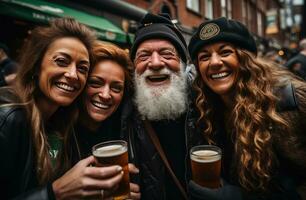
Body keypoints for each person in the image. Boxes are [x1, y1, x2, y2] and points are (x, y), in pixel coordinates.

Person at [0, 17, 124, 200]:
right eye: (61, 61)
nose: (73, 75)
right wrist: (54, 192)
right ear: (36, 65)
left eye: (82, 68)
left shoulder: (62, 123)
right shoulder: (8, 120)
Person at [188, 17, 306, 199]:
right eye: (204, 57)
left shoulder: (292, 101)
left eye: (225, 52)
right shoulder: (207, 109)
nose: (214, 62)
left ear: (245, 58)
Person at [123, 13, 204, 199]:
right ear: (133, 68)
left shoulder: (208, 109)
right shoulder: (119, 114)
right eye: (143, 56)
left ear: (184, 65)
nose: (156, 63)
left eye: (167, 54)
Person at [69, 41, 140, 199]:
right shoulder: (56, 132)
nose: (105, 95)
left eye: (116, 88)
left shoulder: (126, 129)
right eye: (95, 83)